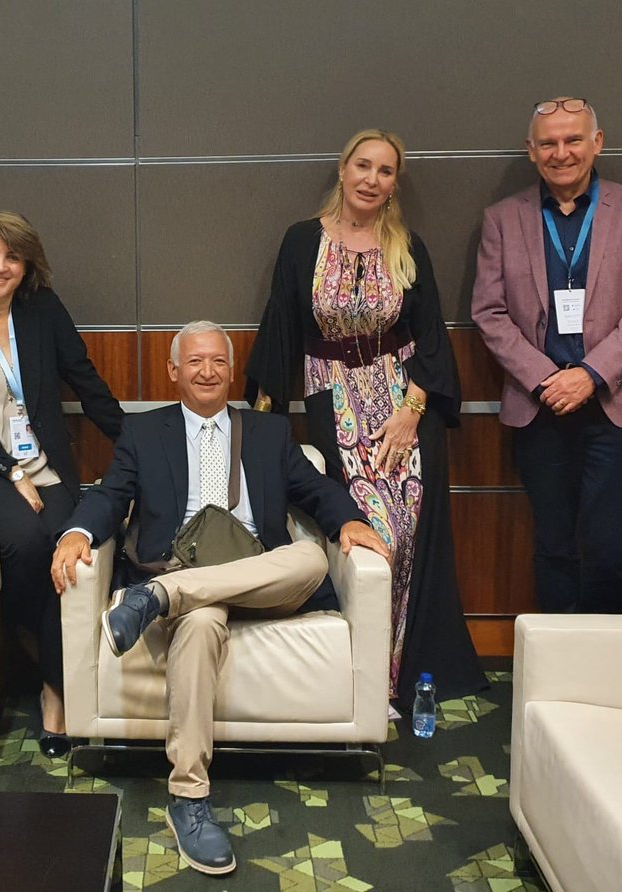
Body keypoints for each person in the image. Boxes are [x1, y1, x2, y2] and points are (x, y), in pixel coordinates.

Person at [51, 321, 389, 876]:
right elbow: (111, 496)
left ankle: (160, 597)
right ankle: (189, 798)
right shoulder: (145, 432)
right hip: (186, 574)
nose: (207, 372)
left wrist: (349, 520)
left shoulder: (268, 432)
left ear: (231, 372)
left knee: (309, 558)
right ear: (173, 371)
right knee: (201, 620)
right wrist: (77, 532)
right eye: (195, 361)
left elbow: (313, 489)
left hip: (258, 576)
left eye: (218, 362)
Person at [244, 130, 485, 704]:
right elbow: (281, 327)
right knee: (375, 532)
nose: (372, 180)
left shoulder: (407, 245)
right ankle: (363, 673)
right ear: (343, 169)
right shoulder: (302, 241)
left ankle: (405, 676)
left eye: (385, 171)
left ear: (394, 184)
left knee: (412, 530)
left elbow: (430, 334)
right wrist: (260, 422)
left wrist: (412, 411)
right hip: (332, 396)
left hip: (405, 402)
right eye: (363, 166)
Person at [0, 212, 124, 757]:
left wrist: (137, 444)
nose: (1, 266)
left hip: (46, 465)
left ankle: (41, 671)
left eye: (12, 256)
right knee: (28, 539)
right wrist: (9, 470)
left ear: (27, 265)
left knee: (66, 550)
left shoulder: (43, 312)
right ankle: (55, 683)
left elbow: (85, 379)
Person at [471, 98, 622, 614]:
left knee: (609, 551)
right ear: (531, 151)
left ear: (596, 143)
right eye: (549, 143)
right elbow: (489, 312)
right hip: (540, 407)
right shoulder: (502, 219)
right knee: (553, 547)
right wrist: (546, 379)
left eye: (573, 139)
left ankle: (602, 659)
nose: (561, 152)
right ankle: (556, 658)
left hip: (615, 405)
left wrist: (589, 375)